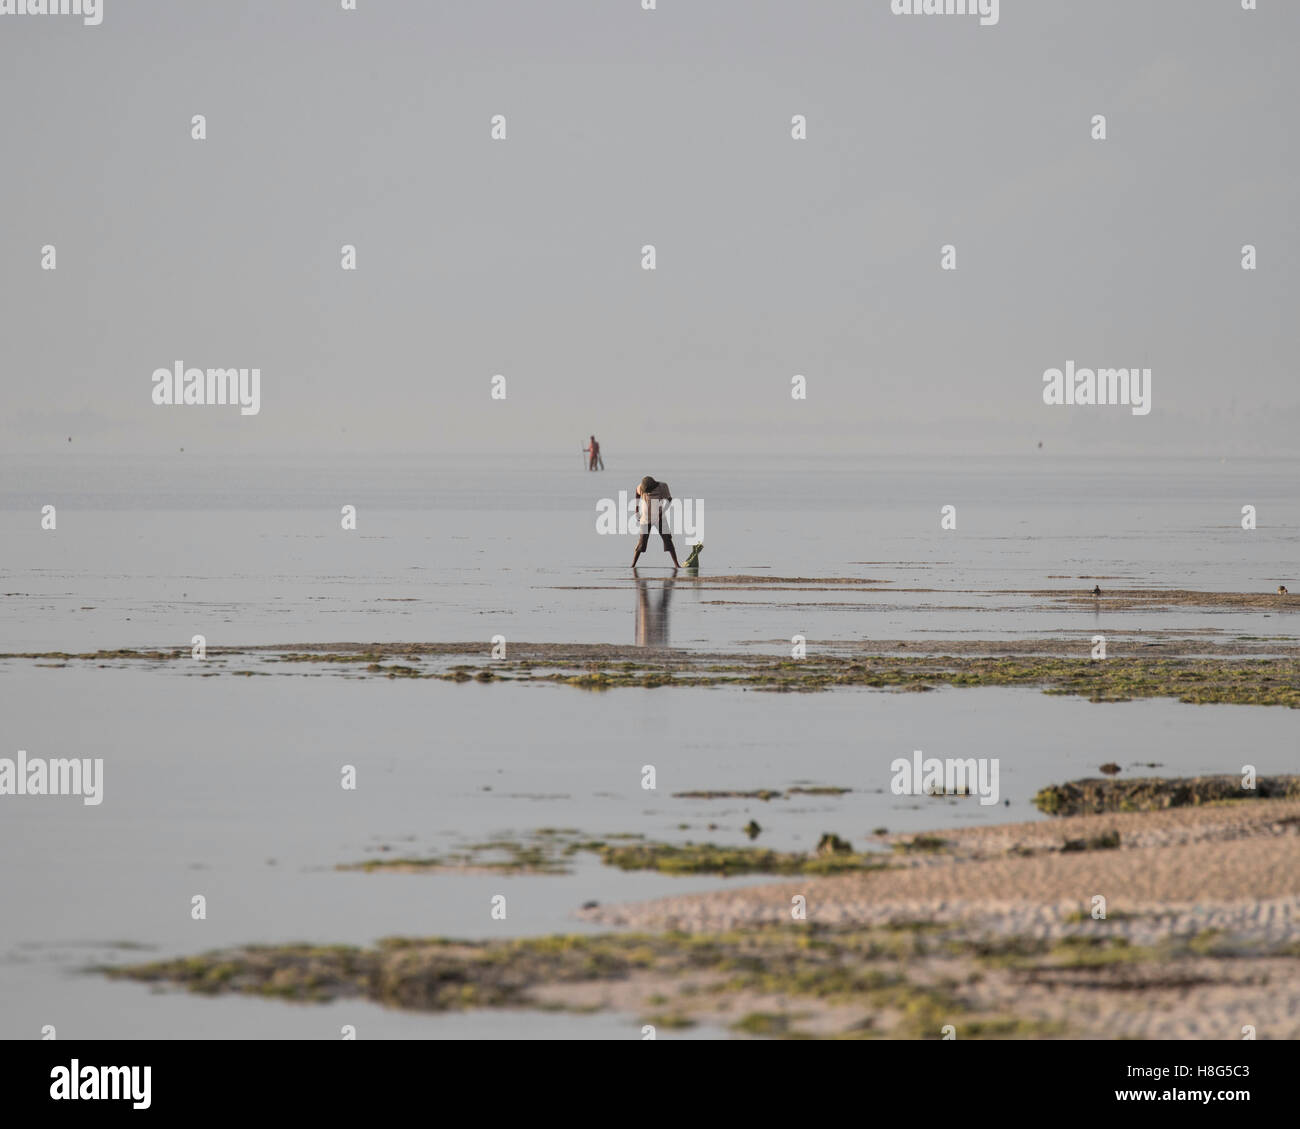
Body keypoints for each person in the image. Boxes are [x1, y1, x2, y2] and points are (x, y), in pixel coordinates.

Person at [631, 475, 680, 568]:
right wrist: (636, 509)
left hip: (660, 517)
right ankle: (633, 565)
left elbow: (669, 500)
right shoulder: (641, 487)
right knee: (642, 542)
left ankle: (677, 564)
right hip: (645, 518)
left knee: (667, 539)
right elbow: (637, 494)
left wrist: (663, 511)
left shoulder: (662, 487)